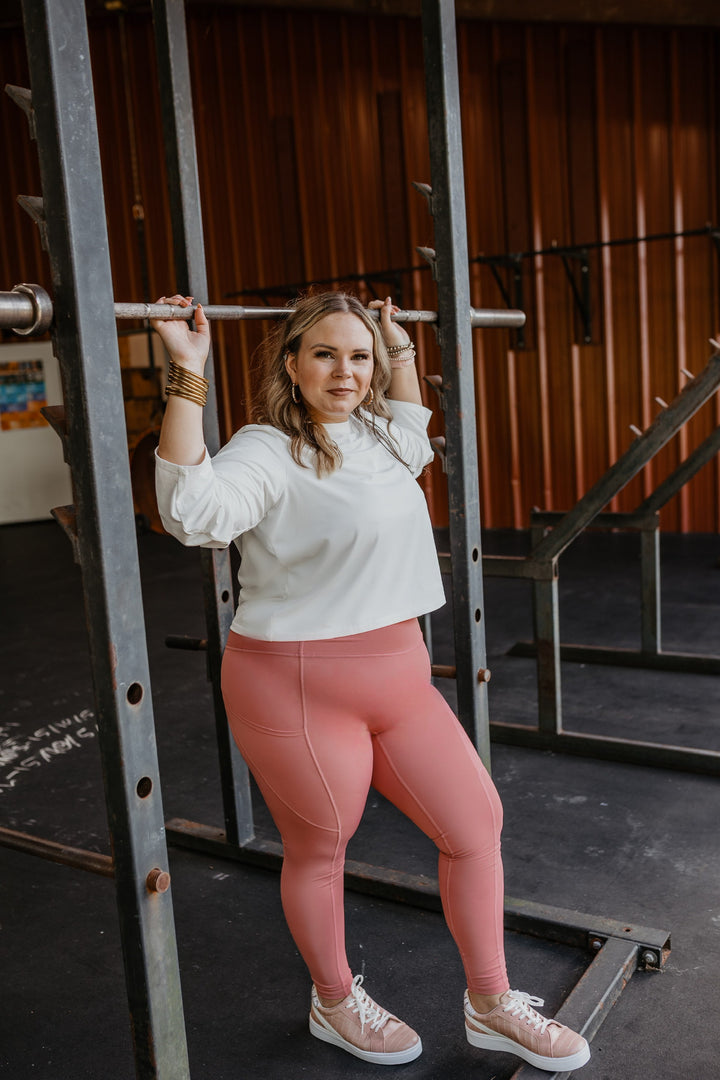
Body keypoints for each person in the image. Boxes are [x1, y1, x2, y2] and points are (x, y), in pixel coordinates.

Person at [152, 290, 590, 1072]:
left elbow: (416, 433)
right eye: (324, 354)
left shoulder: (381, 433)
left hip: (399, 680)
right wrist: (188, 376)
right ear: (292, 363)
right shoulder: (266, 449)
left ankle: (492, 1004)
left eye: (359, 358)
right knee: (321, 844)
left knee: (475, 825)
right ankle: (333, 1001)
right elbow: (191, 514)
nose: (344, 373)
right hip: (294, 681)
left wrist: (403, 351)